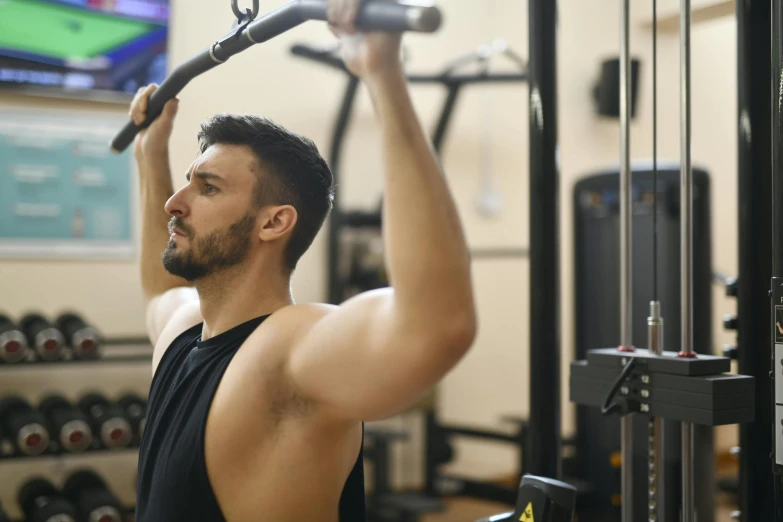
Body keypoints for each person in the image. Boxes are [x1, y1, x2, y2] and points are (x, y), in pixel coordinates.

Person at [131, 1, 477, 521]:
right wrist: (150, 154)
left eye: (206, 188)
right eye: (185, 183)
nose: (173, 204)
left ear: (274, 222)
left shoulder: (289, 351)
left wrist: (382, 76)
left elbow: (437, 325)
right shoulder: (183, 328)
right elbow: (160, 288)